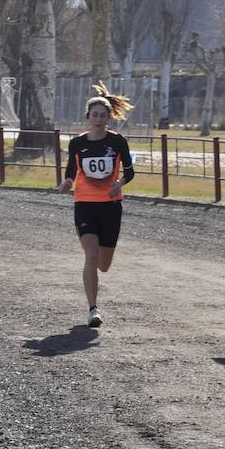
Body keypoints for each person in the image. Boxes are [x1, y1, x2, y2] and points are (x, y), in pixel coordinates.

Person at [58, 84, 135, 329]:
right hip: (84, 204)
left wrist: (119, 183)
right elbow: (71, 172)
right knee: (91, 255)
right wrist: (66, 183)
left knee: (104, 264)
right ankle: (93, 309)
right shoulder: (77, 143)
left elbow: (130, 172)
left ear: (108, 117)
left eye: (103, 115)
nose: (99, 119)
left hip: (111, 206)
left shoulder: (118, 141)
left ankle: (95, 296)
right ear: (88, 117)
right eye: (95, 115)